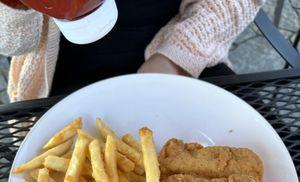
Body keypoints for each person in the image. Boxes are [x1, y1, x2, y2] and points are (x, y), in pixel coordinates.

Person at [0, 0, 263, 102]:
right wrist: (17, 4)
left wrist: (174, 59)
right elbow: (12, 43)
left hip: (182, 52)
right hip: (59, 75)